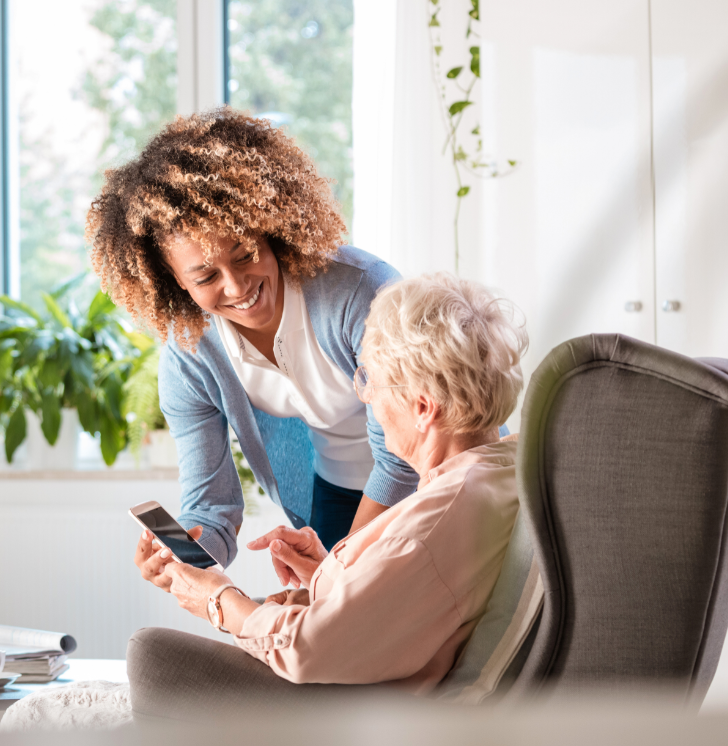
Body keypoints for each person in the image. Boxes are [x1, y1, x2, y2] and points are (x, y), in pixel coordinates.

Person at [88, 107, 423, 586]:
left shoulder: (359, 292)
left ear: (269, 229)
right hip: (337, 496)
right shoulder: (191, 357)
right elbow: (213, 507)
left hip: (426, 479)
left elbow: (402, 453)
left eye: (245, 254)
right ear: (174, 282)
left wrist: (341, 571)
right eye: (205, 276)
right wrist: (185, 555)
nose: (237, 286)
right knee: (336, 650)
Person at [153, 272, 529, 689]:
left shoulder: (431, 525)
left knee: (150, 654)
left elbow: (307, 648)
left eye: (371, 380)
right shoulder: (500, 472)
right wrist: (330, 574)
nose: (366, 398)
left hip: (353, 709)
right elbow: (402, 599)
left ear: (423, 408)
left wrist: (216, 600)